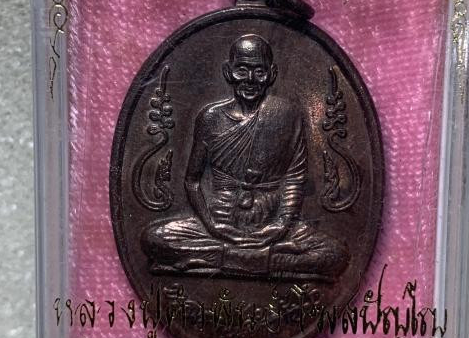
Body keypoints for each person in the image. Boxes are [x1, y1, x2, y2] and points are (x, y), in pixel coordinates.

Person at [142, 34, 349, 280]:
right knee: (154, 239)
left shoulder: (286, 115)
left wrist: (281, 224)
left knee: (336, 254)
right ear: (228, 72)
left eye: (259, 72)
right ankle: (266, 261)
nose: (250, 79)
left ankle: (222, 258)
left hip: (273, 224)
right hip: (219, 223)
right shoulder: (210, 118)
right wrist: (212, 225)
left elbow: (294, 177)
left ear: (271, 74)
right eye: (242, 70)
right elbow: (192, 181)